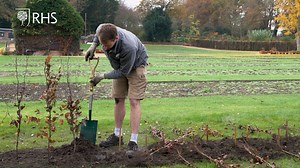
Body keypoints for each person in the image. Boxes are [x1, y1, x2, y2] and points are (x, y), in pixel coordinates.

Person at [85, 23, 148, 151]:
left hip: (136, 66)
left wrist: (102, 76)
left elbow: (124, 72)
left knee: (134, 101)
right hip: (119, 66)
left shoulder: (128, 47)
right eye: (103, 45)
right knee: (118, 99)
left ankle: (133, 141)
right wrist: (93, 45)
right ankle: (117, 136)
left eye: (107, 45)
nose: (105, 48)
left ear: (116, 39)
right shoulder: (101, 29)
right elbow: (98, 35)